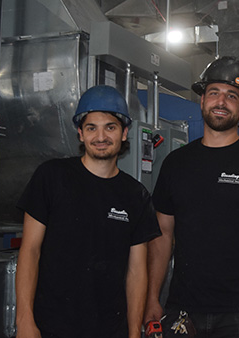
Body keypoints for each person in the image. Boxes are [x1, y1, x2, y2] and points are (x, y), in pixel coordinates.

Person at [144, 56, 239, 338]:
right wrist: (152, 296)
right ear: (202, 100)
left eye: (231, 95)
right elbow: (162, 235)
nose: (220, 101)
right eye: (213, 93)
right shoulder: (176, 164)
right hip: (182, 308)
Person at [15, 85, 161, 338]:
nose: (101, 136)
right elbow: (30, 251)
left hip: (109, 329)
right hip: (50, 327)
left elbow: (136, 272)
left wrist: (134, 333)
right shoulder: (52, 177)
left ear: (124, 133)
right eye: (92, 128)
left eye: (110, 127)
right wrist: (25, 321)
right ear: (80, 134)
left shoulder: (136, 196)